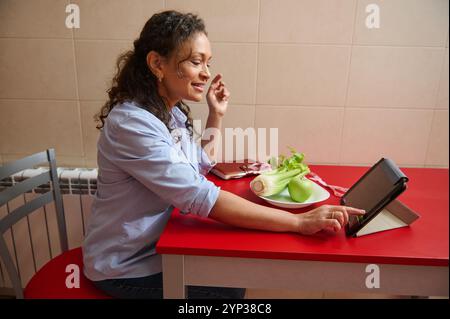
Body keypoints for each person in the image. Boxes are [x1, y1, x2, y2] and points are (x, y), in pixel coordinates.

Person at [82, 10, 365, 299]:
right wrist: (299, 223)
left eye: (208, 63)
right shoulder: (133, 124)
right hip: (124, 267)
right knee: (225, 290)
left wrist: (215, 114)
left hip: (155, 250)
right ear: (157, 64)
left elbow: (198, 168)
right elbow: (199, 195)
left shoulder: (168, 113)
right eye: (195, 62)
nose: (206, 72)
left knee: (229, 276)